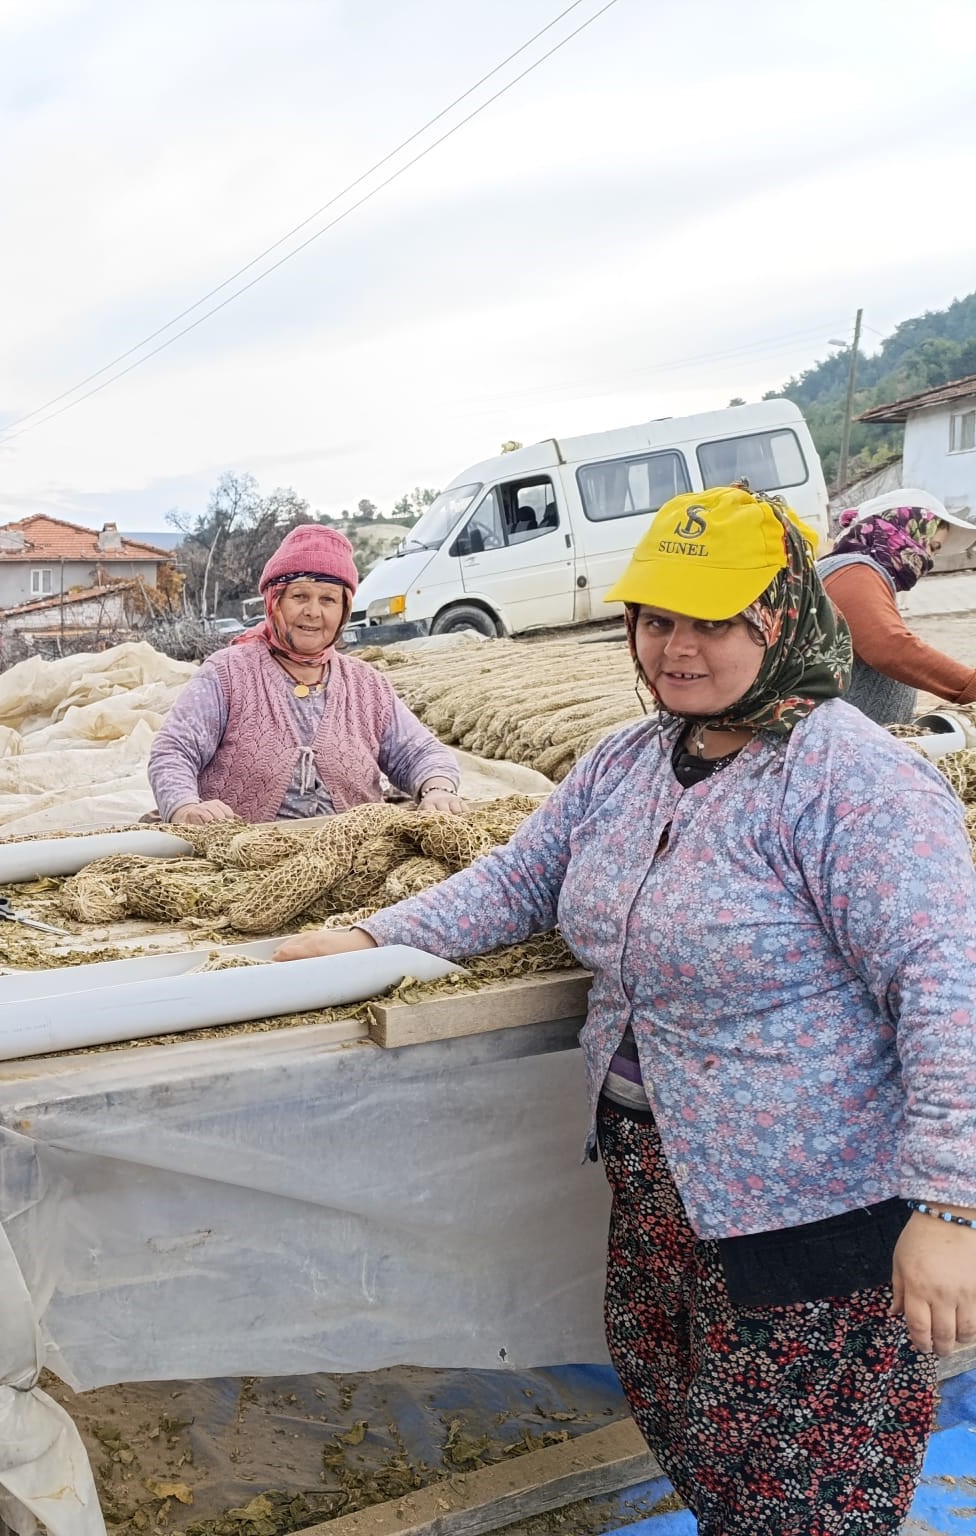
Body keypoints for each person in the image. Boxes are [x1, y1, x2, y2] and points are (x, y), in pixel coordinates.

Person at [277, 485, 976, 1533]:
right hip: (660, 1187)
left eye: (711, 621)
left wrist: (950, 1207)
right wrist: (373, 938)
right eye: (655, 619)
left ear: (780, 618)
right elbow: (521, 878)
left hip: (811, 1213)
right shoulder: (628, 761)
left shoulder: (855, 783)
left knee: (805, 1485)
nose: (674, 649)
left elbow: (948, 985)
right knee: (692, 1421)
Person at [148, 523, 464, 825]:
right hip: (244, 851)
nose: (313, 612)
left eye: (328, 599)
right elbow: (174, 751)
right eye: (300, 596)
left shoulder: (367, 685)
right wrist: (185, 807)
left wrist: (438, 789)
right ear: (274, 602)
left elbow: (420, 753)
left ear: (344, 610)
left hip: (357, 850)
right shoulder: (227, 673)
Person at [818, 487, 976, 724]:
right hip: (840, 738)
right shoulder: (852, 572)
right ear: (903, 530)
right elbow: (890, 646)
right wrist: (970, 685)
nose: (930, 560)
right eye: (932, 546)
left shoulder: (859, 571)